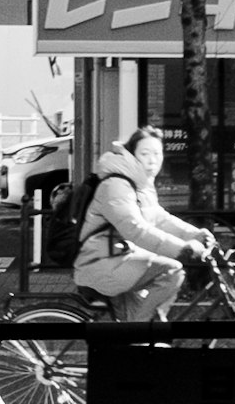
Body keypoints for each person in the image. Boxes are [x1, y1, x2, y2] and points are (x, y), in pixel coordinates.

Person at [72, 127, 213, 325]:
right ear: (132, 155)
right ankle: (140, 334)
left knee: (131, 314)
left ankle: (137, 340)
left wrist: (195, 233)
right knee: (171, 270)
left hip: (118, 258)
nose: (152, 160)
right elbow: (135, 229)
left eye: (157, 153)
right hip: (100, 263)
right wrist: (182, 248)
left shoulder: (140, 185)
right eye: (144, 154)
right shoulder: (116, 185)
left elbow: (159, 218)